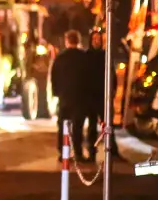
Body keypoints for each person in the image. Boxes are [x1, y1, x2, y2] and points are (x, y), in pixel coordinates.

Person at [50, 30, 91, 162]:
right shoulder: (84, 57)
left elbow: (54, 77)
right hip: (80, 98)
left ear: (67, 41)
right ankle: (78, 153)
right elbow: (89, 78)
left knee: (63, 126)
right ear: (78, 41)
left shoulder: (60, 58)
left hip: (65, 98)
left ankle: (63, 153)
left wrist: (57, 93)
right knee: (78, 127)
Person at [82, 29, 123, 160]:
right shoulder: (86, 56)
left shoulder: (105, 55)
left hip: (104, 96)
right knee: (92, 127)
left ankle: (112, 151)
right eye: (94, 39)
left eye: (99, 39)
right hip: (91, 97)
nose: (97, 41)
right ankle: (91, 152)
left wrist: (113, 91)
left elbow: (112, 74)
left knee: (108, 125)